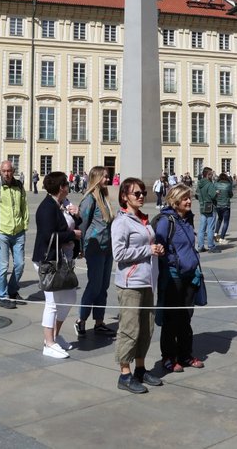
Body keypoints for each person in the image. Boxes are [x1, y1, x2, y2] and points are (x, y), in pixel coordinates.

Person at [111, 177, 164, 393]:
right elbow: (119, 253)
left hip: (147, 280)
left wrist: (157, 249)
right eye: (136, 193)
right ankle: (125, 374)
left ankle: (141, 368)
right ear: (124, 196)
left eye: (142, 192)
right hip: (130, 283)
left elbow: (147, 245)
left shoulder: (143, 219)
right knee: (130, 328)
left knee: (146, 327)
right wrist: (147, 251)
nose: (141, 196)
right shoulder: (121, 222)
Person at [154, 183, 206, 373]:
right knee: (172, 318)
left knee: (185, 317)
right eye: (184, 198)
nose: (188, 201)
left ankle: (185, 354)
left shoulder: (187, 219)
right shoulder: (166, 221)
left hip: (190, 275)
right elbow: (160, 247)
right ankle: (168, 356)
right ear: (175, 201)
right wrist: (174, 262)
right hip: (173, 275)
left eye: (189, 197)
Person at [33, 172, 82, 359]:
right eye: (67, 184)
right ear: (61, 187)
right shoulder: (47, 207)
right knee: (52, 302)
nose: (69, 186)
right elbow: (48, 235)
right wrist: (72, 235)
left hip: (63, 260)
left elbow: (70, 225)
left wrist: (76, 216)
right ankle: (48, 343)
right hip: (47, 260)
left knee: (69, 297)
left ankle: (55, 334)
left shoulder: (62, 203)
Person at [74, 166, 117, 338]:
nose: (108, 180)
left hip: (107, 247)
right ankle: (81, 319)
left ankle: (99, 322)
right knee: (94, 285)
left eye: (108, 177)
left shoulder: (104, 197)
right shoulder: (90, 199)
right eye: (105, 177)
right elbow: (82, 224)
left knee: (104, 286)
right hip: (95, 247)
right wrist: (81, 248)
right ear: (96, 178)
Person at [0, 160, 29, 308]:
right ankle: (2, 296)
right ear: (0, 171)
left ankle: (12, 290)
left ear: (13, 171)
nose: (7, 174)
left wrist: (24, 224)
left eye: (9, 171)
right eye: (4, 171)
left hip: (18, 232)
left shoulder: (19, 186)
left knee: (20, 264)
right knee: (3, 266)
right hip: (2, 232)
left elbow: (24, 206)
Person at [195, 167, 219, 253]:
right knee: (210, 228)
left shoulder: (199, 183)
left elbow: (196, 195)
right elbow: (213, 195)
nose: (212, 176)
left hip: (202, 207)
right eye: (211, 174)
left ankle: (200, 246)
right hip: (210, 207)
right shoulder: (209, 184)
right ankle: (211, 246)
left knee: (201, 228)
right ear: (208, 175)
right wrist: (216, 193)